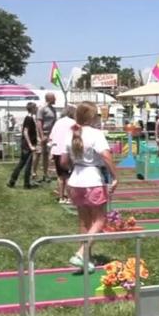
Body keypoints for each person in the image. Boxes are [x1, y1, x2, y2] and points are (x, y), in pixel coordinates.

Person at [66, 102, 118, 272]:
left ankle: (86, 258)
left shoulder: (72, 133)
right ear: (92, 117)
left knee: (84, 220)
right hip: (92, 179)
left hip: (75, 179)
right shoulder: (96, 134)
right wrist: (115, 176)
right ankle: (81, 253)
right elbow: (105, 155)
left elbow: (64, 161)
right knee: (100, 219)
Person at [49, 104, 77, 204]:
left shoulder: (58, 122)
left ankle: (61, 197)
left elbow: (51, 137)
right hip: (68, 151)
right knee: (70, 175)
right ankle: (69, 197)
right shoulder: (74, 123)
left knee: (61, 176)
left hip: (57, 151)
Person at [7, 103, 39, 189]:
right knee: (27, 164)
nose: (37, 109)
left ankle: (12, 182)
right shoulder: (29, 118)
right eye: (35, 107)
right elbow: (25, 131)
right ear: (32, 109)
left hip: (27, 145)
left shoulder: (30, 118)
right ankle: (26, 184)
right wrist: (30, 145)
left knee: (22, 163)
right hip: (27, 146)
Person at [34, 92, 58, 183]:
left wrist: (52, 135)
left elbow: (54, 123)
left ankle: (45, 174)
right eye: (54, 98)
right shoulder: (42, 108)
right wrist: (41, 135)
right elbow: (39, 122)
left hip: (49, 135)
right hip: (42, 134)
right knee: (38, 153)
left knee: (46, 154)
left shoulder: (53, 109)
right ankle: (34, 173)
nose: (55, 99)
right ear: (49, 98)